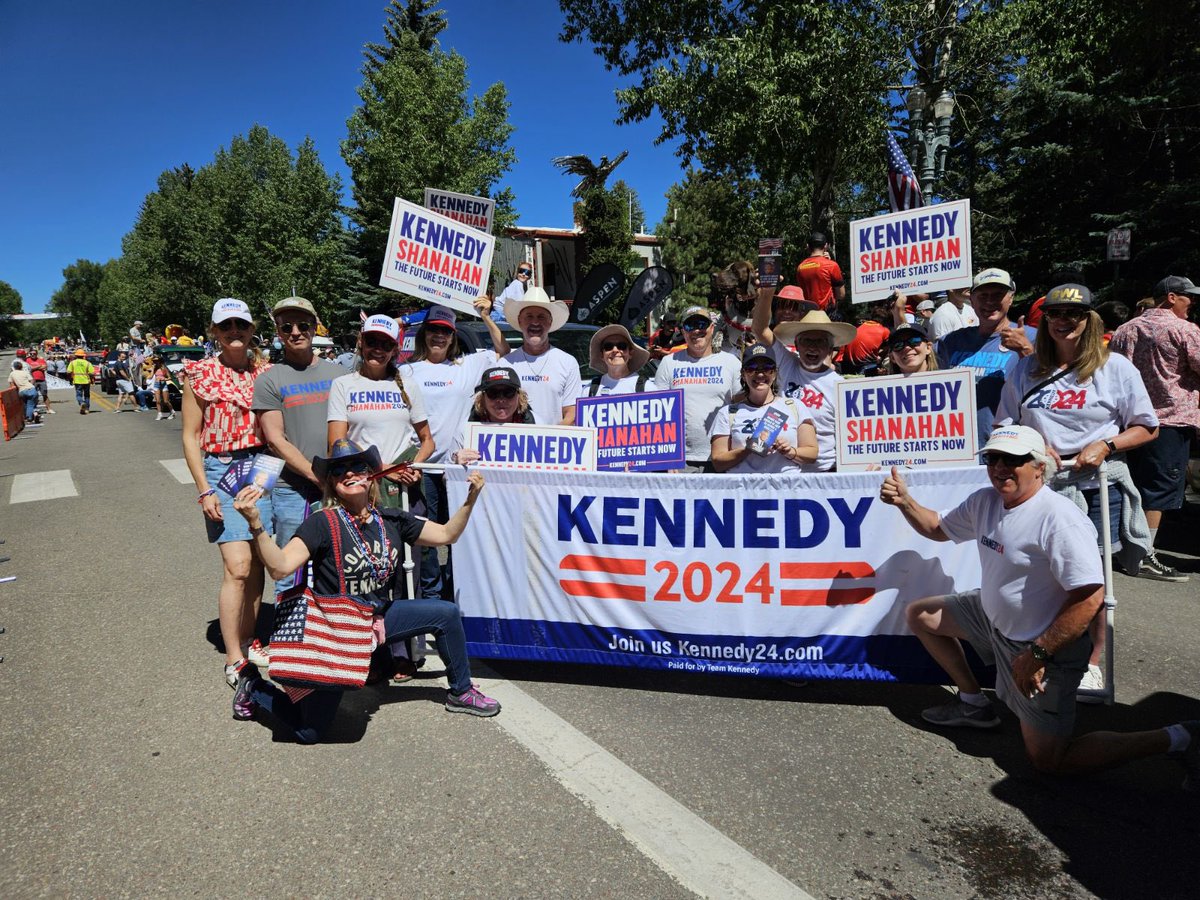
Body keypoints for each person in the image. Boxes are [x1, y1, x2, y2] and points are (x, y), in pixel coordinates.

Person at [880, 425, 1199, 789]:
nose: (1000, 467)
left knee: (1050, 760)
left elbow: (1090, 598)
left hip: (1043, 643)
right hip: (992, 619)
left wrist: (1038, 654)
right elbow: (937, 527)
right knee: (921, 614)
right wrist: (905, 501)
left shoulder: (1058, 519)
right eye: (993, 458)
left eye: (1013, 459)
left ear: (1039, 467)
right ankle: (973, 704)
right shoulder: (985, 500)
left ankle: (1178, 737)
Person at [227, 438, 500, 740]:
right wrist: (255, 524)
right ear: (331, 483)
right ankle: (254, 687)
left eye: (358, 466)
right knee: (309, 731)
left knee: (445, 613)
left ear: (371, 476)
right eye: (339, 469)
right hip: (337, 632)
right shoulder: (322, 523)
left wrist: (470, 499)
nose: (350, 473)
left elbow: (448, 534)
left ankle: (461, 692)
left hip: (378, 619)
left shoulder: (392, 519)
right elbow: (279, 566)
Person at [995, 283, 1159, 695]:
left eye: (1074, 314)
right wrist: (1030, 443)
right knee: (1044, 574)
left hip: (1096, 483)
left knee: (1093, 578)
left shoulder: (1115, 367)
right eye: (1054, 314)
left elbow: (1147, 426)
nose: (1063, 322)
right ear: (1044, 319)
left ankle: (1092, 662)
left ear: (1090, 320)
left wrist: (1106, 444)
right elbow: (1003, 423)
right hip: (1042, 484)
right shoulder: (1026, 369)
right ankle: (1042, 651)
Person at [180, 298, 275, 692]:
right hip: (220, 469)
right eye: (226, 326)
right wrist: (204, 489)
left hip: (262, 469)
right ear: (214, 331)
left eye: (241, 325)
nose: (234, 332)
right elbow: (189, 435)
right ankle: (233, 657)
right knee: (236, 566)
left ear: (252, 330)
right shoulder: (199, 374)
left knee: (257, 565)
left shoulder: (267, 373)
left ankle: (251, 641)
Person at [401, 299, 507, 600]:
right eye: (433, 330)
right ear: (424, 334)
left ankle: (456, 594)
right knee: (430, 537)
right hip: (422, 466)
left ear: (453, 337)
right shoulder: (408, 371)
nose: (439, 336)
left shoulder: (468, 365)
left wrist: (485, 315)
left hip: (458, 467)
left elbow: (503, 350)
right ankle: (433, 597)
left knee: (462, 535)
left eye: (445, 332)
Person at [252, 295, 345, 611]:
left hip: (340, 484)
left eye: (302, 324)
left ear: (314, 327)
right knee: (289, 567)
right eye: (286, 326)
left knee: (338, 561)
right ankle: (289, 639)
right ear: (277, 331)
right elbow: (276, 439)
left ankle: (333, 634)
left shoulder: (339, 375)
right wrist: (316, 475)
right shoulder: (269, 379)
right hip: (292, 489)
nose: (295, 331)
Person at [1109, 275, 1200, 583]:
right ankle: (1144, 554)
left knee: (1131, 485)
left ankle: (1123, 547)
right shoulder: (1184, 329)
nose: (1193, 303)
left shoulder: (1125, 329)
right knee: (1159, 491)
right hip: (1171, 421)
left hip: (1130, 422)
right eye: (1189, 297)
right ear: (1171, 297)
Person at [327, 314, 432, 511]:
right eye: (372, 341)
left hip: (404, 487)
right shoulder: (342, 385)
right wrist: (383, 469)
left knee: (411, 541)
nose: (378, 349)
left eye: (386, 344)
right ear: (361, 342)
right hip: (363, 485)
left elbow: (427, 440)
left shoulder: (408, 385)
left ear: (394, 350)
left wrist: (414, 468)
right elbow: (337, 444)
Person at [752, 288, 856, 472]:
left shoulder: (840, 385)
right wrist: (767, 293)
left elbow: (851, 436)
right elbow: (760, 329)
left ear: (830, 348)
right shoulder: (787, 364)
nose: (813, 347)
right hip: (782, 470)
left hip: (823, 473)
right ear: (797, 345)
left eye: (820, 342)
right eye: (807, 340)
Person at [935, 268, 1037, 444]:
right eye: (982, 296)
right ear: (972, 300)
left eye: (998, 295)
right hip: (957, 448)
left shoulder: (1032, 337)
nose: (989, 301)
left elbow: (1052, 390)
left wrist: (1027, 352)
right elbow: (914, 363)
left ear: (1011, 298)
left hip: (1006, 451)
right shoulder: (951, 342)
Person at [653, 306, 742, 472]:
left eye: (701, 324)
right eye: (689, 326)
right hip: (680, 461)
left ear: (712, 328)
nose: (696, 330)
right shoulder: (669, 362)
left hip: (722, 457)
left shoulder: (731, 362)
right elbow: (658, 413)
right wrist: (665, 458)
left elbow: (744, 406)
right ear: (683, 332)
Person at [709, 344, 818, 473]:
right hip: (743, 489)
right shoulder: (728, 412)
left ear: (775, 373)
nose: (760, 374)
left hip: (785, 488)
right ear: (743, 375)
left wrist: (790, 451)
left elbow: (812, 453)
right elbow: (718, 462)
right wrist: (746, 450)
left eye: (767, 369)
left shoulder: (795, 406)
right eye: (752, 369)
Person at [503, 286, 582, 426]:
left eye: (541, 317)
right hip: (516, 444)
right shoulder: (505, 364)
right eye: (529, 316)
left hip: (553, 445)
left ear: (550, 322)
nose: (535, 322)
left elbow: (571, 413)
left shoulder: (568, 362)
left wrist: (549, 440)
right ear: (520, 321)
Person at [449, 365, 537, 464]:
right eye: (493, 393)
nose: (501, 400)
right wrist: (456, 463)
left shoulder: (538, 424)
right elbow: (445, 476)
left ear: (519, 395)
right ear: (482, 398)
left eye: (508, 393)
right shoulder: (465, 429)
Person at [583, 324, 651, 396]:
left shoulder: (648, 389)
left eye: (621, 346)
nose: (615, 350)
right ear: (602, 355)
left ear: (630, 353)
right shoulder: (589, 391)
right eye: (608, 346)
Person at [794, 232, 845, 311]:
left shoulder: (800, 267)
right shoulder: (832, 265)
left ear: (808, 246)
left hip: (807, 315)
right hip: (826, 315)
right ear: (826, 246)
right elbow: (841, 295)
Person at [65, 348, 95, 414]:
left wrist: (70, 378)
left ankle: (81, 403)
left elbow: (68, 372)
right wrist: (92, 379)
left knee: (79, 395)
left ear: (76, 355)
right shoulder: (87, 363)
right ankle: (87, 409)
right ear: (83, 355)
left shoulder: (72, 363)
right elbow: (92, 373)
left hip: (77, 381)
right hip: (86, 381)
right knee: (87, 395)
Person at [25, 347, 51, 414]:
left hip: (42, 379)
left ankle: (49, 409)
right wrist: (39, 366)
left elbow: (45, 366)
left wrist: (33, 368)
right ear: (29, 354)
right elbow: (28, 369)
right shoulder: (27, 360)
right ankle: (34, 410)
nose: (33, 355)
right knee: (33, 396)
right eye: (31, 353)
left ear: (36, 354)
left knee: (45, 394)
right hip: (32, 380)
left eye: (34, 353)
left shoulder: (40, 359)